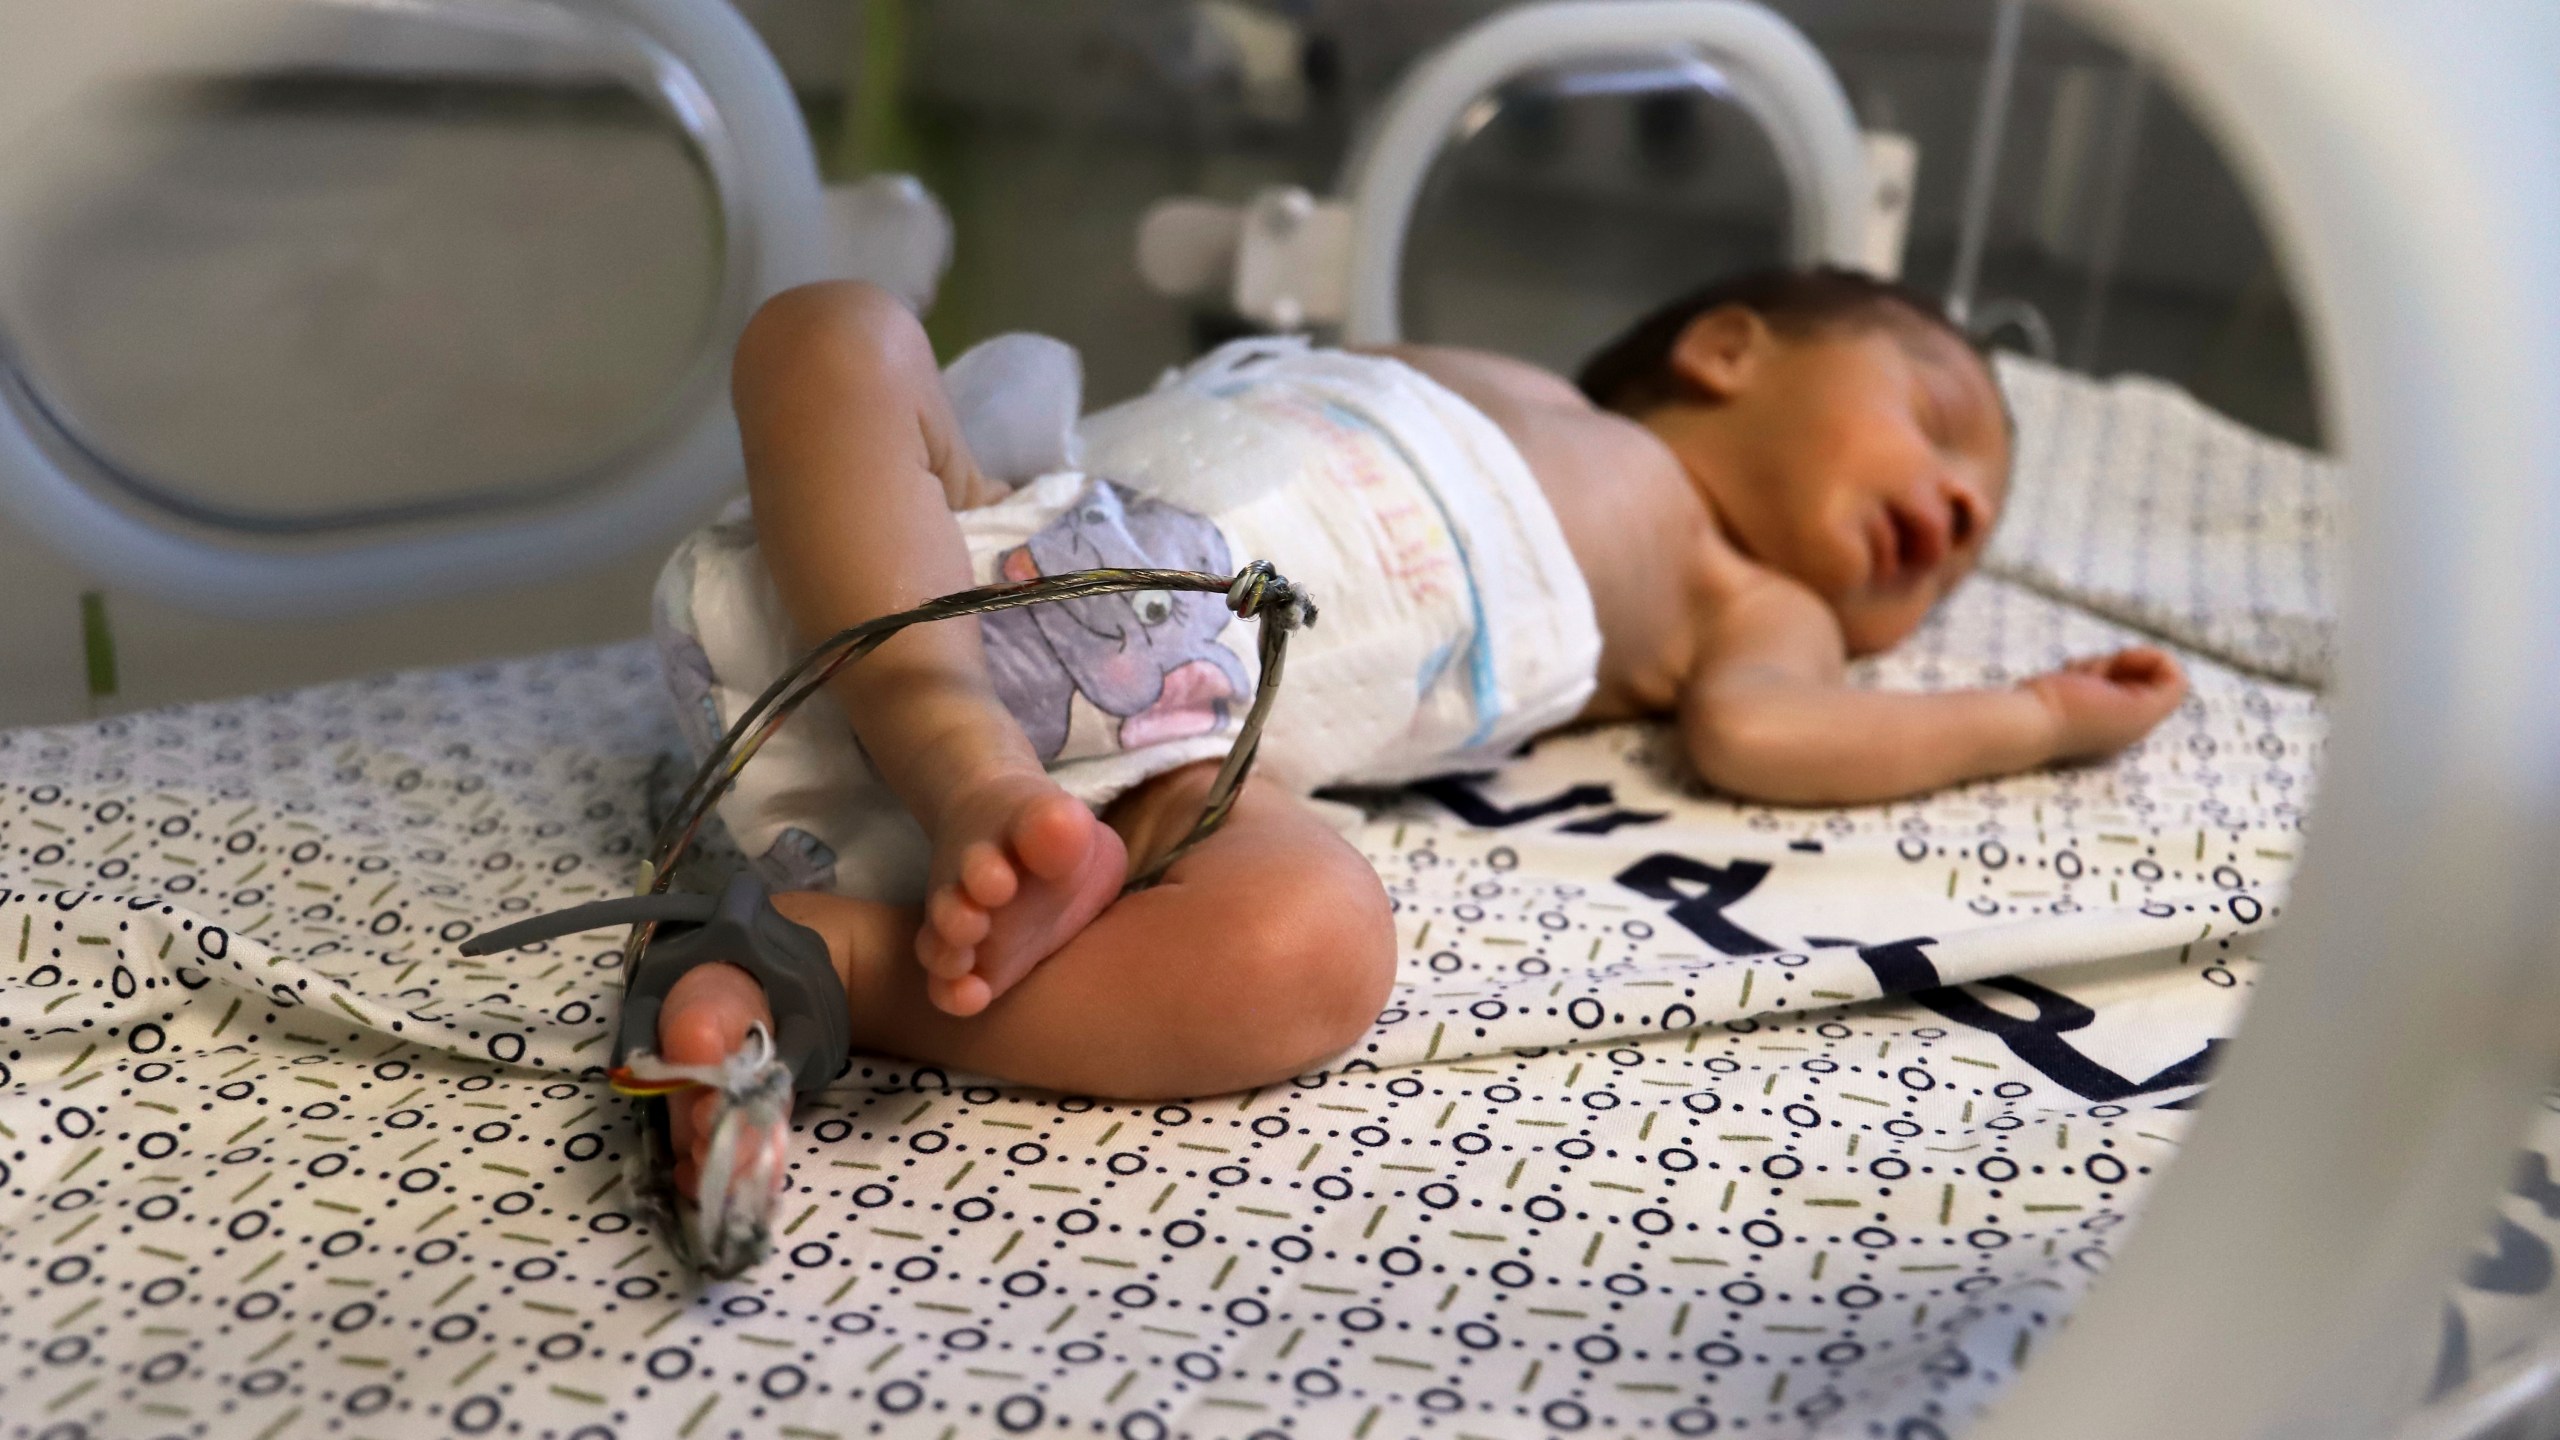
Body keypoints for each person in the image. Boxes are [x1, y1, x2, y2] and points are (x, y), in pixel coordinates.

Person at [644, 266, 2185, 1190]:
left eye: (1975, 537)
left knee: (1311, 951)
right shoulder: (1497, 382)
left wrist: (2034, 714)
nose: (1966, 501)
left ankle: (822, 956)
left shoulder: (1746, 594)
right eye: (1933, 415)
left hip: (1163, 764)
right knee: (831, 326)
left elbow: (1766, 740)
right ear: (1729, 349)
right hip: (948, 547)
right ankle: (951, 751)